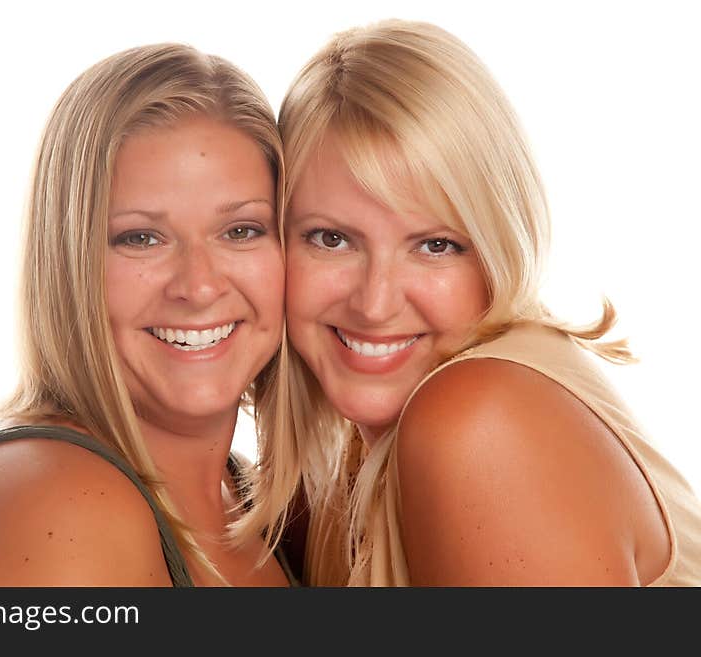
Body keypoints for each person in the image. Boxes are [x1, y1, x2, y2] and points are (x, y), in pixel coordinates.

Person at [0, 43, 300, 587]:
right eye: (140, 238)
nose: (200, 285)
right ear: (67, 264)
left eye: (241, 231)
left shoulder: (256, 504)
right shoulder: (60, 505)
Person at [279, 19, 701, 586]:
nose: (375, 303)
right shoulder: (336, 462)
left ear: (500, 250)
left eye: (436, 246)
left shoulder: (478, 421)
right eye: (332, 239)